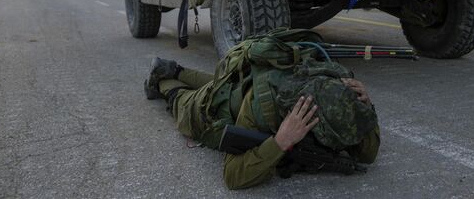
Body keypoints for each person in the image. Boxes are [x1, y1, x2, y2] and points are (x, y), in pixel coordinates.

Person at [144, 57, 380, 190]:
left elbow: (367, 154)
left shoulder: (335, 81)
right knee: (185, 103)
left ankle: (177, 69)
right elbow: (232, 176)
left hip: (242, 83)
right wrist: (280, 142)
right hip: (224, 105)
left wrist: (366, 107)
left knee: (223, 84)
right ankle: (164, 78)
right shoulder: (263, 106)